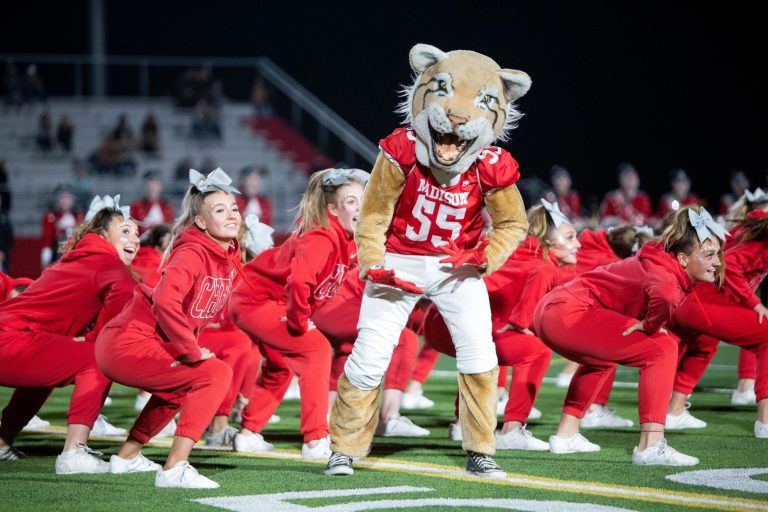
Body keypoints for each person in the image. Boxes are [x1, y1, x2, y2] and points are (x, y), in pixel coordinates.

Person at [535, 205, 725, 465]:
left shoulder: (662, 260)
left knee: (600, 359)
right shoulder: (667, 274)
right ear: (682, 259)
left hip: (552, 309)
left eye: (717, 254)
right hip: (570, 311)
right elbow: (666, 295)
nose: (717, 262)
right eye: (710, 254)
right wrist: (649, 326)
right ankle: (651, 444)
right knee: (663, 348)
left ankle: (565, 436)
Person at [96, 168, 242, 489]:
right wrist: (190, 350)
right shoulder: (193, 251)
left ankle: (127, 456)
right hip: (129, 341)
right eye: (220, 210)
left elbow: (194, 311)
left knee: (182, 383)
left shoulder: (226, 254)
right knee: (215, 373)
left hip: (139, 342)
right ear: (201, 222)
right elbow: (164, 300)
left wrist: (189, 348)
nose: (232, 215)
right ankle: (175, 468)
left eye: (234, 208)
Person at [229, 168, 367, 460]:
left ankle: (248, 433)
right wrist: (299, 321)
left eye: (363, 200)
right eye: (352, 201)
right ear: (333, 209)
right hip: (257, 300)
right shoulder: (323, 236)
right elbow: (299, 281)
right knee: (316, 347)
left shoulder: (347, 239)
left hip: (266, 301)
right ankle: (316, 439)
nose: (361, 207)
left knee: (280, 365)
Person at [0, 195, 139, 471]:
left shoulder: (84, 257)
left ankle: (2, 442)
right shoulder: (107, 264)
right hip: (12, 339)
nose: (134, 239)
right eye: (124, 232)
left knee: (51, 372)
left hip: (14, 337)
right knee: (98, 360)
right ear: (102, 235)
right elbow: (109, 334)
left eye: (136, 234)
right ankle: (74, 453)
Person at [667, 195, 768, 437]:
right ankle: (765, 420)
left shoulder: (750, 229)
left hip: (688, 297)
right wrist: (754, 304)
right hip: (701, 300)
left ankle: (674, 412)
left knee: (704, 346)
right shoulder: (762, 238)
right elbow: (730, 265)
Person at [40, 185, 84, 268]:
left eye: (68, 197)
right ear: (57, 200)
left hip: (76, 254)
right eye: (62, 197)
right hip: (57, 254)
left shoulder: (79, 217)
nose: (65, 201)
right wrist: (46, 252)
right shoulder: (51, 217)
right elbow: (48, 238)